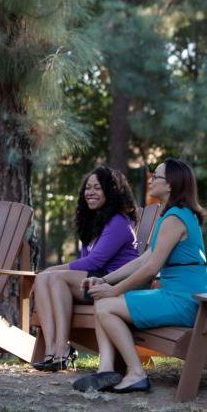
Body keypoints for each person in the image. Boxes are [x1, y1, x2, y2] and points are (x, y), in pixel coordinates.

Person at [74, 159, 207, 394]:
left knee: (106, 306)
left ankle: (136, 373)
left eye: (157, 176)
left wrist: (113, 290)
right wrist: (106, 280)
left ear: (171, 185)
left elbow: (150, 268)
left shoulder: (175, 218)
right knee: (102, 302)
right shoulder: (172, 215)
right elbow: (144, 259)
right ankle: (106, 369)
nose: (151, 179)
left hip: (187, 300)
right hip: (176, 295)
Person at [32, 166, 139, 372]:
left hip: (114, 283)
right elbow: (85, 261)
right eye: (88, 188)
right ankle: (52, 350)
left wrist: (52, 268)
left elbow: (93, 263)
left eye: (97, 188)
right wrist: (49, 272)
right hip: (94, 281)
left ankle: (63, 350)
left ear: (111, 191)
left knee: (54, 277)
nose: (90, 192)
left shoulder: (117, 222)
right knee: (42, 279)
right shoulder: (93, 221)